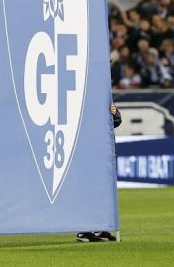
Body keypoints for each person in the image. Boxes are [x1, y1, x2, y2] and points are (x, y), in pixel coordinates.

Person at [77, 103, 122, 242]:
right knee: (88, 191)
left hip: (103, 154)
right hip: (88, 152)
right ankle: (83, 229)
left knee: (104, 192)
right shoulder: (83, 102)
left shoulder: (102, 100)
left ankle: (99, 228)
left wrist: (115, 114)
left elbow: (114, 123)